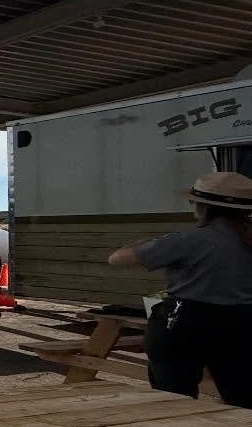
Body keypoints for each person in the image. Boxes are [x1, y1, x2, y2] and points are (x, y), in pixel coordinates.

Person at [108, 171, 252, 410]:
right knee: (244, 399)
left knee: (174, 398)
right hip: (242, 322)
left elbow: (118, 258)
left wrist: (150, 242)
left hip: (185, 321)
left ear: (203, 207)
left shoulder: (190, 240)